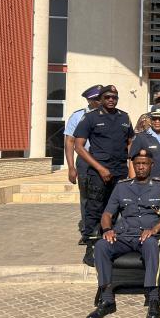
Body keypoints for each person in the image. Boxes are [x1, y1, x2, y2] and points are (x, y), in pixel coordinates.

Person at [85, 149, 160, 318]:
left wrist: (155, 230)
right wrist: (107, 230)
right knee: (102, 246)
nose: (141, 167)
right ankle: (107, 299)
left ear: (151, 165)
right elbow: (106, 215)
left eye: (144, 164)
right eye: (137, 164)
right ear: (133, 166)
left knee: (151, 245)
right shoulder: (122, 187)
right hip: (124, 235)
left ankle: (153, 298)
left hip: (147, 235)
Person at [74, 85, 134, 266]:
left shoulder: (124, 117)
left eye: (114, 97)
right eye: (107, 97)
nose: (111, 100)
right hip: (98, 173)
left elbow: (130, 142)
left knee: (116, 209)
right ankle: (91, 248)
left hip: (120, 172)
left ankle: (110, 245)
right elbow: (79, 146)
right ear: (100, 99)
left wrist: (131, 166)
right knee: (94, 210)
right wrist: (100, 168)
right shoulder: (90, 117)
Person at [63, 84, 102, 241]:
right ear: (89, 100)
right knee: (86, 197)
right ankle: (88, 232)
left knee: (107, 195)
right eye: (97, 99)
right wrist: (71, 167)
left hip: (105, 159)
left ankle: (105, 229)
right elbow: (69, 141)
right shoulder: (78, 116)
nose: (101, 101)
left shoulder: (111, 114)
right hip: (85, 160)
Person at [129, 105, 160, 183]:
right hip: (148, 184)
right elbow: (132, 161)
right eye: (154, 119)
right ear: (150, 120)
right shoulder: (140, 137)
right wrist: (134, 183)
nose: (157, 121)